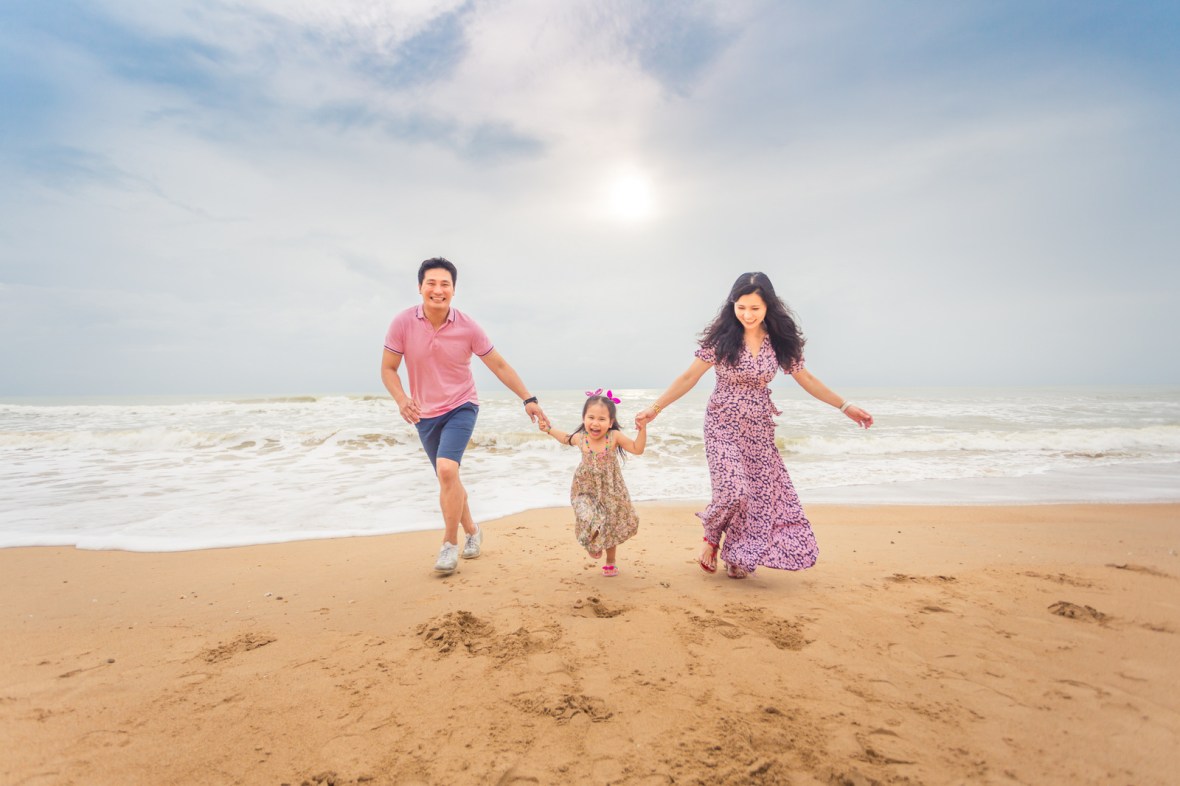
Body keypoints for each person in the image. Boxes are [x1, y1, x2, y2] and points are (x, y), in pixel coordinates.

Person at [634, 272, 872, 579]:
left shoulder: (779, 342)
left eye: (755, 308)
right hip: (721, 424)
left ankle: (738, 555)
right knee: (733, 491)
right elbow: (689, 377)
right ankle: (711, 538)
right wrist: (655, 408)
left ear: (768, 306)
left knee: (756, 497)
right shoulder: (722, 340)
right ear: (732, 304)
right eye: (741, 307)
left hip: (758, 428)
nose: (747, 314)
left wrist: (845, 406)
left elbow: (807, 379)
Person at [381, 258, 550, 575]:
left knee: (447, 470)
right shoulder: (402, 323)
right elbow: (388, 369)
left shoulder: (468, 327)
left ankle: (449, 544)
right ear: (420, 287)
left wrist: (528, 399)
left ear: (454, 290)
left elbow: (498, 365)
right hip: (424, 414)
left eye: (445, 284)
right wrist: (402, 399)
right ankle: (473, 530)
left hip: (461, 405)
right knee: (449, 479)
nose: (438, 290)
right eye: (431, 283)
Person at [540, 389, 646, 577]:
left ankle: (610, 562)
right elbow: (565, 438)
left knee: (610, 525)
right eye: (591, 417)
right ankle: (592, 543)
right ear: (583, 419)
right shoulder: (581, 438)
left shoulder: (614, 437)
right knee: (587, 515)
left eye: (602, 419)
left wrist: (643, 429)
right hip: (585, 488)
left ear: (610, 422)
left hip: (611, 490)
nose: (595, 423)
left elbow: (637, 449)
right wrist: (548, 429)